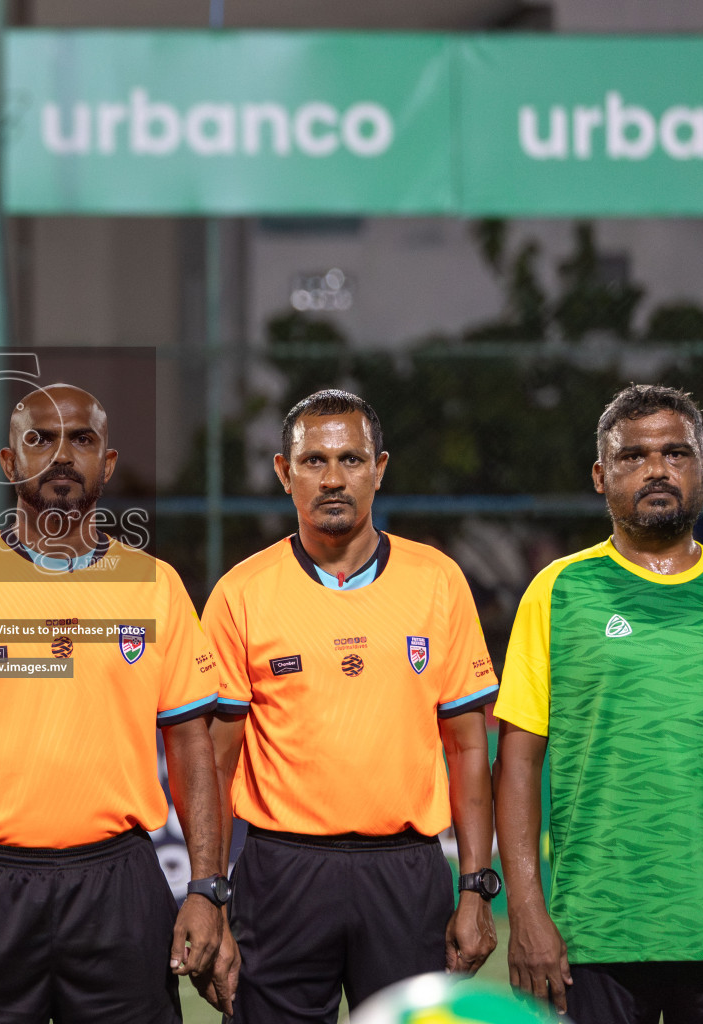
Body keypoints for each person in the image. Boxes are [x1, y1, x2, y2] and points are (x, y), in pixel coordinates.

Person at [0, 383, 225, 1024]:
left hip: (120, 880)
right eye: (39, 438)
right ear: (8, 463)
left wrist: (206, 889)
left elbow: (192, 747)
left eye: (82, 439)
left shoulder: (156, 585)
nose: (61, 455)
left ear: (108, 463)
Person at [201, 389, 500, 1022]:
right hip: (281, 873)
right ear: (285, 474)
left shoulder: (438, 580)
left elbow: (469, 746)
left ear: (380, 468)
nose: (333, 479)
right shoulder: (241, 592)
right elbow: (217, 761)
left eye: (350, 460)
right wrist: (211, 895)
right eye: (313, 461)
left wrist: (476, 886)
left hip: (406, 871)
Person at [496, 385, 703, 1024]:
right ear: (601, 476)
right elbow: (517, 764)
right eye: (634, 456)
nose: (657, 469)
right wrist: (526, 911)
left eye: (676, 453)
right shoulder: (558, 590)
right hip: (593, 937)